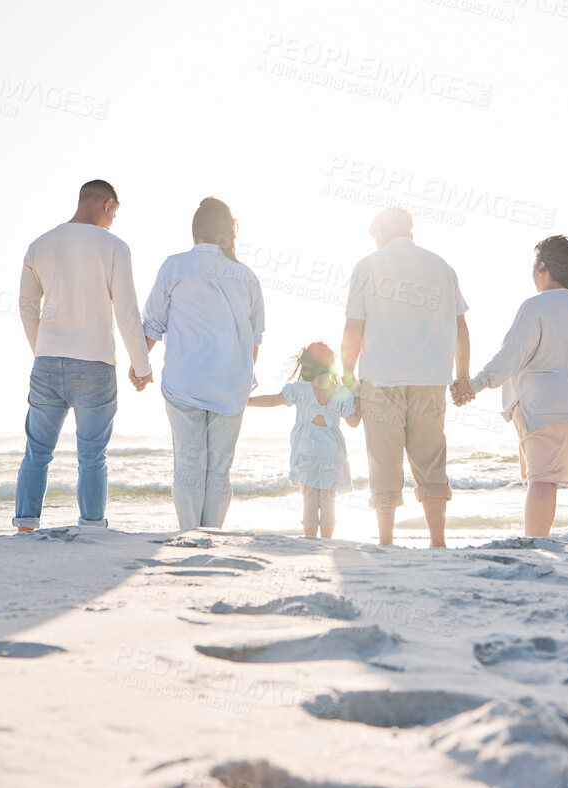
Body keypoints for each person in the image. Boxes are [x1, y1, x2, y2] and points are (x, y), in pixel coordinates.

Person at [454, 235, 568, 540]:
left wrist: (474, 385)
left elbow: (511, 357)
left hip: (544, 409)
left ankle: (536, 546)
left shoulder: (535, 306)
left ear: (542, 267)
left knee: (542, 480)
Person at [14, 179, 153, 532]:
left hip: (46, 362)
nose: (113, 221)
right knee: (92, 456)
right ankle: (92, 527)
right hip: (94, 365)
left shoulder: (39, 245)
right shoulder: (113, 246)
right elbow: (126, 311)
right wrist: (142, 364)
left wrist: (42, 349)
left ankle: (26, 525)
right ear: (107, 205)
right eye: (114, 213)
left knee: (37, 452)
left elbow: (27, 306)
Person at [341, 207, 469, 548]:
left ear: (381, 235)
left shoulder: (367, 267)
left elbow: (353, 329)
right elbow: (460, 327)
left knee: (383, 461)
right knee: (430, 460)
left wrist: (346, 381)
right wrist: (463, 376)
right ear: (409, 233)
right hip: (430, 379)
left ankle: (386, 541)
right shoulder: (442, 268)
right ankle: (437, 541)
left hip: (380, 379)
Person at [142, 197, 265, 531]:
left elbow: (153, 323)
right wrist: (241, 380)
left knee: (187, 463)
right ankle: (212, 534)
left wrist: (140, 366)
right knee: (219, 468)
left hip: (185, 383)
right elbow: (255, 337)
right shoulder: (246, 276)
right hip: (230, 388)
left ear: (195, 232)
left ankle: (189, 534)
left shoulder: (175, 266)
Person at [247, 342, 361, 538]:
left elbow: (273, 400)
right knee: (328, 499)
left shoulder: (300, 389)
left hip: (306, 450)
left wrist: (247, 401)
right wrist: (357, 393)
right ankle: (327, 540)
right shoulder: (341, 392)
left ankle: (310, 539)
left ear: (306, 364)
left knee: (309, 498)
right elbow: (353, 421)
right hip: (332, 454)